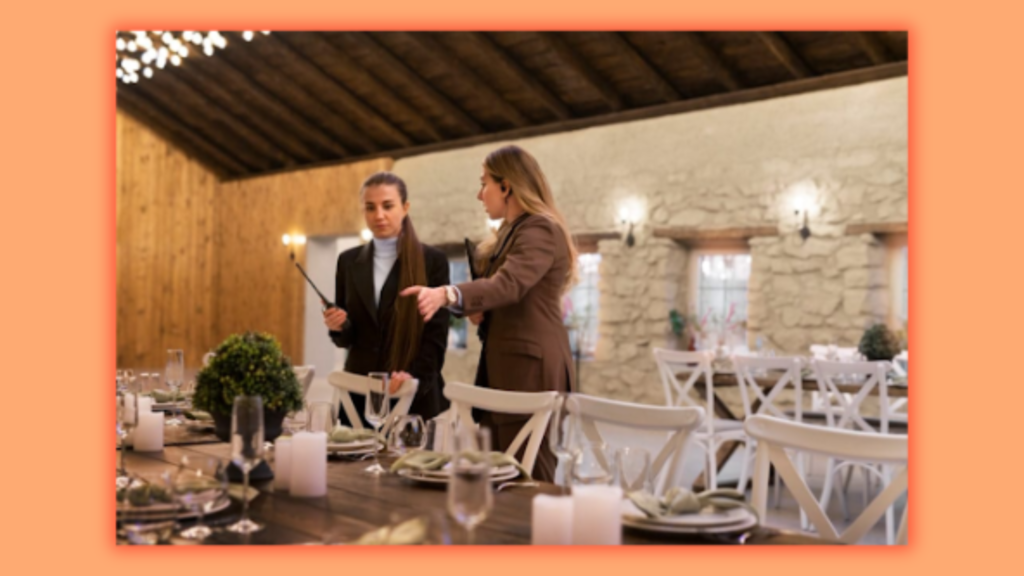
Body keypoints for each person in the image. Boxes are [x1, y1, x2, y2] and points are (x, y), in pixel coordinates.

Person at [401, 145, 577, 482]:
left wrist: (447, 293)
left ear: (507, 186)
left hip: (530, 373)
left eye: (485, 184)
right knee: (497, 479)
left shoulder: (540, 229)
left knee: (529, 481)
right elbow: (509, 296)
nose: (479, 194)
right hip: (508, 368)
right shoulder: (513, 232)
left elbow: (509, 285)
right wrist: (479, 310)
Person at [324, 171, 450, 426]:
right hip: (359, 393)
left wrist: (412, 375)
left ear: (405, 207)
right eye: (370, 207)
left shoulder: (432, 261)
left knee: (409, 466)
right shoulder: (348, 261)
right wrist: (339, 327)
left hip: (411, 390)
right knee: (352, 467)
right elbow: (348, 339)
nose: (379, 215)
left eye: (387, 206)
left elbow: (436, 336)